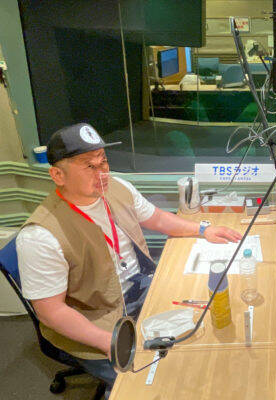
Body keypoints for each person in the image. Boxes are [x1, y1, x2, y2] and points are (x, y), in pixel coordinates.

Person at [16, 123, 242, 393]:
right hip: (97, 320)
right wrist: (110, 342)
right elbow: (51, 312)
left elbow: (157, 219)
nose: (102, 173)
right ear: (57, 175)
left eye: (103, 161)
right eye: (90, 166)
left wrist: (203, 230)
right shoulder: (40, 236)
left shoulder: (117, 187)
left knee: (209, 328)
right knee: (153, 384)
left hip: (140, 288)